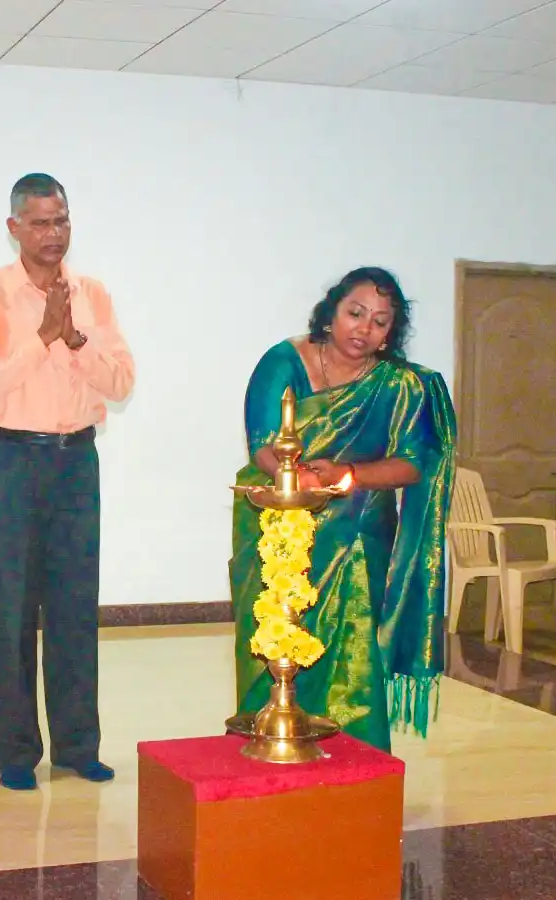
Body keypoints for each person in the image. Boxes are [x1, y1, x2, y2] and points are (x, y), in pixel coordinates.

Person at [229, 266, 456, 753]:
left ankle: (352, 756)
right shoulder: (283, 362)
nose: (364, 329)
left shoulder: (398, 385)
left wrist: (344, 475)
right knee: (273, 631)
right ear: (330, 313)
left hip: (357, 530)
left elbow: (412, 464)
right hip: (277, 519)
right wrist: (298, 482)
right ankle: (271, 737)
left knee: (351, 646)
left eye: (380, 321)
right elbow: (263, 445)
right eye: (355, 313)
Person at [0, 174, 135, 791]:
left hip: (76, 460)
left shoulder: (94, 294)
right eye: (38, 222)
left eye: (61, 220)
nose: (52, 234)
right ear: (14, 228)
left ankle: (77, 746)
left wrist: (73, 335)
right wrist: (41, 338)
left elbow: (120, 383)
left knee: (74, 605)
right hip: (13, 460)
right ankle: (13, 753)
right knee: (10, 609)